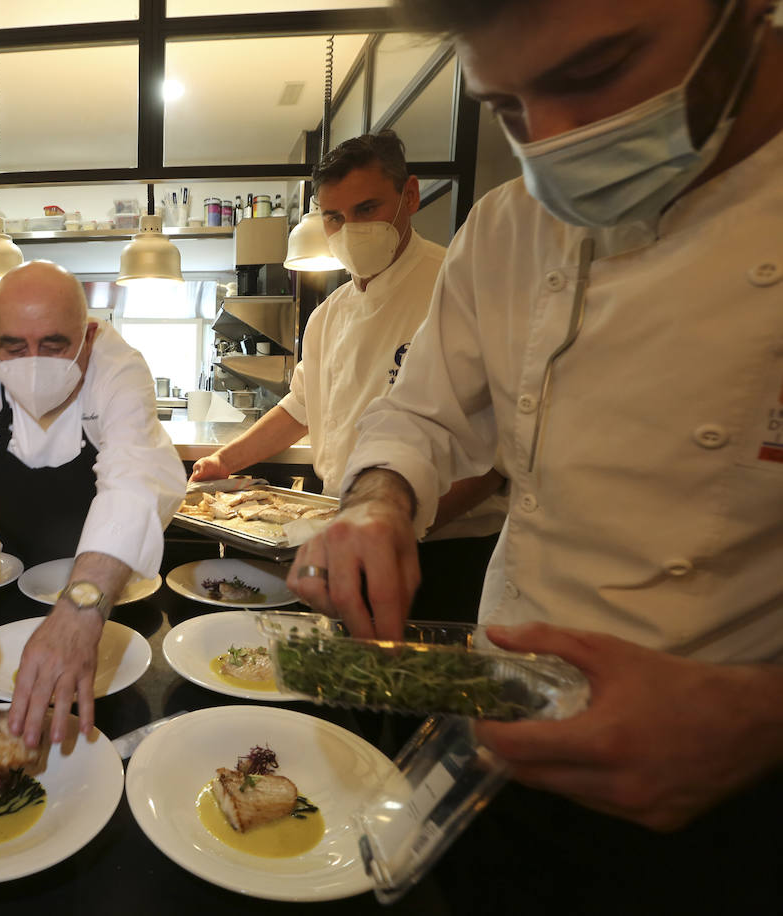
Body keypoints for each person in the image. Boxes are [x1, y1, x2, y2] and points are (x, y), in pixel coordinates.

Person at [289, 0, 783, 909]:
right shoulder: (508, 227)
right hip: (497, 713)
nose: (549, 145)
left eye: (595, 73)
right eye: (509, 107)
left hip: (726, 791)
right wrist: (376, 501)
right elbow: (422, 416)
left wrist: (763, 721)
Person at [192, 131, 505, 623]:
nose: (349, 228)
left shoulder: (458, 287)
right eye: (334, 216)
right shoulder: (329, 314)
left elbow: (498, 455)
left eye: (367, 208)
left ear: (411, 196)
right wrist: (222, 461)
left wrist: (392, 524)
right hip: (341, 533)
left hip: (444, 548)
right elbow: (298, 409)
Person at [0, 260, 184, 749]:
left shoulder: (118, 365)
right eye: (13, 346)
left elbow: (136, 478)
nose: (33, 361)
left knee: (114, 718)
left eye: (54, 344)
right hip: (11, 575)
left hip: (112, 588)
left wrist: (82, 609)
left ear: (87, 336)